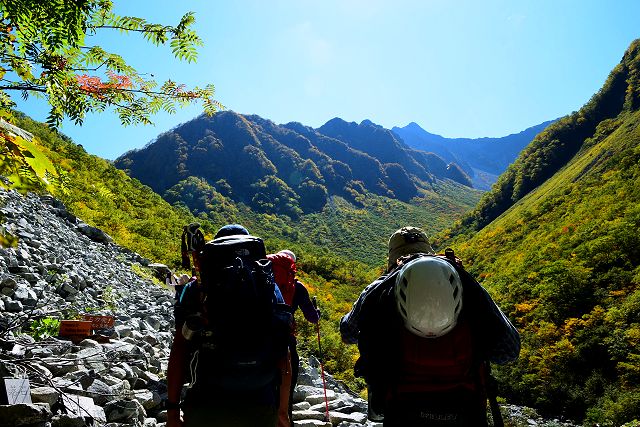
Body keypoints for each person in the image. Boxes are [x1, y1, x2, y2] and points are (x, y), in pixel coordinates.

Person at [340, 226, 521, 426]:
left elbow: (348, 332)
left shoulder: (378, 289)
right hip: (466, 409)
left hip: (400, 409)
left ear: (393, 259)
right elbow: (509, 350)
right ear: (430, 251)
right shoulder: (465, 284)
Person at [167, 224, 287, 427]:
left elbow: (180, 351)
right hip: (261, 403)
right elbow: (283, 353)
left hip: (207, 403)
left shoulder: (197, 289)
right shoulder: (270, 289)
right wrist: (282, 411)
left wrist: (172, 410)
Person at [267, 249, 320, 427]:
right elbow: (312, 317)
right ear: (292, 266)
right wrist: (316, 311)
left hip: (259, 340)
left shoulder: (260, 279)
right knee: (286, 391)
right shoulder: (297, 287)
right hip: (285, 342)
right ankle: (285, 419)